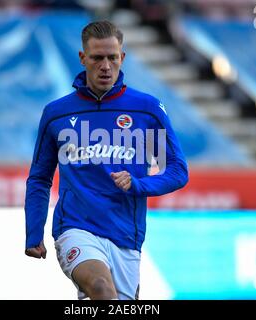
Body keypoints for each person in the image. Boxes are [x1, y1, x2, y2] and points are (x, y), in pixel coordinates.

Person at [24, 20, 188, 300]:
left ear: (122, 57)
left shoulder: (147, 111)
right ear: (82, 58)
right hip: (75, 227)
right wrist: (33, 230)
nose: (105, 65)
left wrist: (138, 184)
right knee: (101, 289)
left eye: (112, 58)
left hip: (126, 234)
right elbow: (40, 178)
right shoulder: (57, 114)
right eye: (97, 58)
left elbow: (175, 171)